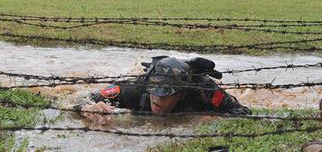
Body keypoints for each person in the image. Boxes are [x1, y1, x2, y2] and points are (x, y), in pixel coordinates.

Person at [78, 56, 250, 122]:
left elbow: (242, 112)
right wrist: (87, 107)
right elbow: (83, 98)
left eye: (167, 94)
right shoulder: (136, 88)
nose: (158, 99)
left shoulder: (203, 90)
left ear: (182, 92)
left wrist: (213, 119)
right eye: (155, 91)